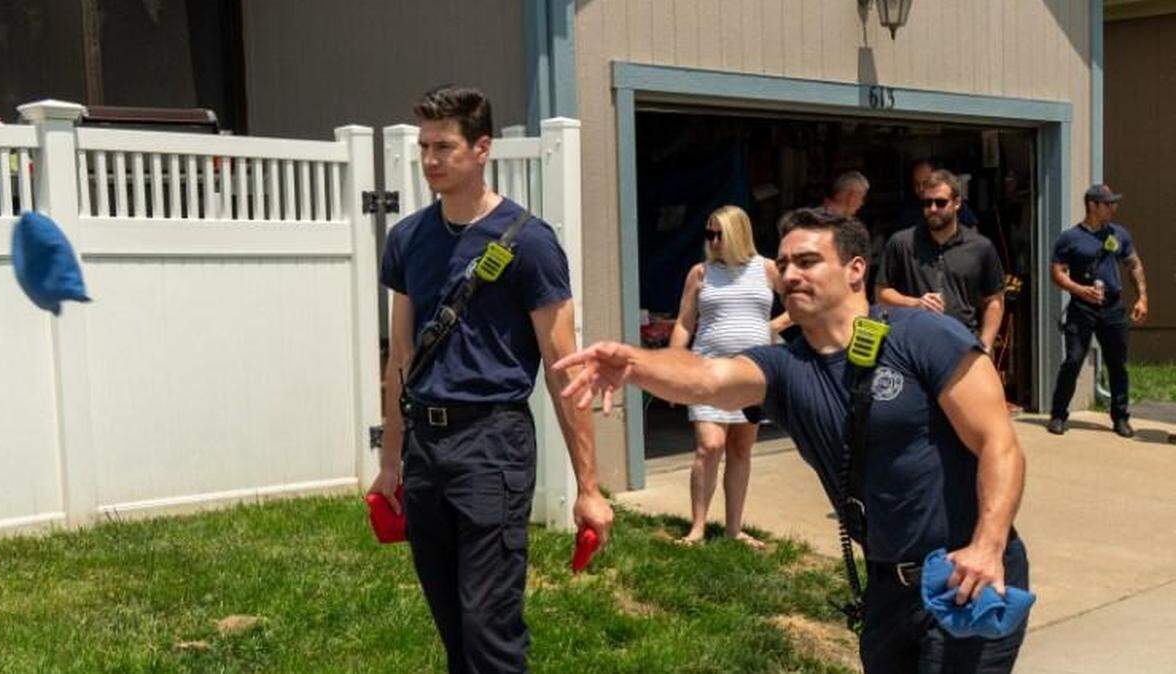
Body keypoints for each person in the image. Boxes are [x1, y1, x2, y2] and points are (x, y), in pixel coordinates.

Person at [556, 208, 1029, 673]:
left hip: (967, 574)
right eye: (783, 265)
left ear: (855, 270)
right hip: (887, 587)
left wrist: (987, 547)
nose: (790, 275)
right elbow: (705, 377)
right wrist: (634, 365)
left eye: (807, 261)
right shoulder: (785, 368)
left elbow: (999, 445)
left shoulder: (922, 336)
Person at [368, 85, 613, 673]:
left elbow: (564, 370)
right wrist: (390, 461)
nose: (430, 159)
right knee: (453, 627)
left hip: (491, 445)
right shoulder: (407, 239)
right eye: (424, 146)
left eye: (444, 146)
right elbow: (401, 354)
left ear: (482, 149)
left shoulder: (529, 243)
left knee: (489, 630)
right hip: (427, 448)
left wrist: (588, 486)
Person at [669, 205, 784, 549]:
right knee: (709, 445)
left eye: (720, 233)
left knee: (740, 449)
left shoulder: (766, 269)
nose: (714, 240)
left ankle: (734, 528)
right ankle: (698, 528)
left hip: (751, 374)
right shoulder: (701, 273)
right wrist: (674, 366)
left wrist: (775, 326)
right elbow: (684, 322)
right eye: (710, 234)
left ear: (739, 233)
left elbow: (801, 303)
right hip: (708, 371)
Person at [1047, 184, 1149, 438]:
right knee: (1073, 360)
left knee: (1118, 364)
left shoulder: (1119, 234)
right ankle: (1058, 415)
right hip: (1082, 308)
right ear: (1092, 205)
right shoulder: (1069, 238)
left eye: (1114, 202)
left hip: (1112, 308)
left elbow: (1134, 264)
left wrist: (1142, 298)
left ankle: (1121, 417)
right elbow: (1057, 273)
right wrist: (1079, 290)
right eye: (1108, 203)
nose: (1113, 207)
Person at [877, 170, 1006, 354]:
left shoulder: (980, 247)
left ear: (957, 203)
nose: (933, 209)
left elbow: (994, 300)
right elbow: (881, 293)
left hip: (962, 347)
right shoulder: (902, 243)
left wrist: (985, 345)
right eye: (927, 203)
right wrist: (915, 303)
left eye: (940, 202)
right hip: (912, 347)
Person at [900, 159, 979, 230]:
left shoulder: (952, 203)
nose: (921, 189)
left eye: (925, 183)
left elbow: (972, 229)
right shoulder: (908, 212)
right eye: (916, 184)